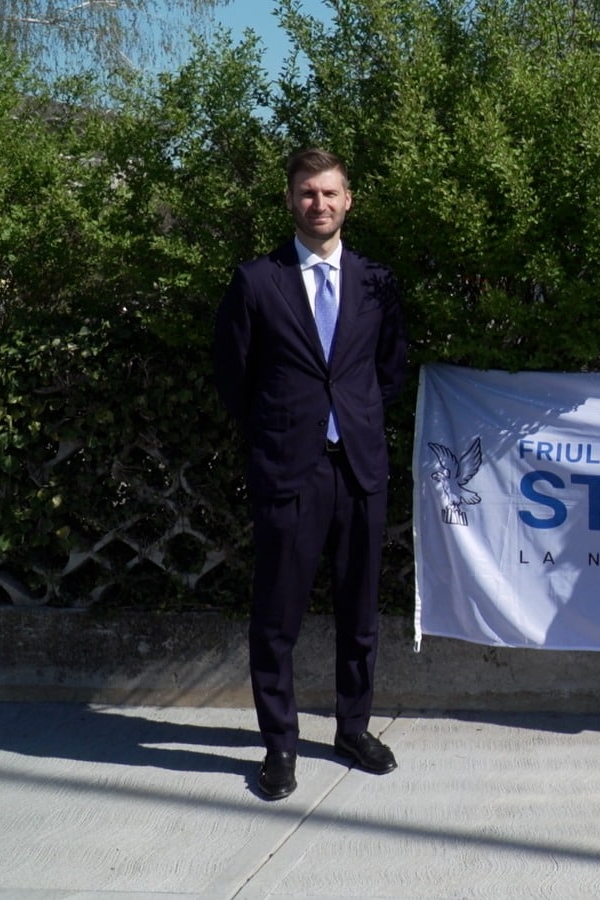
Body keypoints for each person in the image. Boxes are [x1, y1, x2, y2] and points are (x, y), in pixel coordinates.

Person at [213, 148, 408, 801]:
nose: (318, 204)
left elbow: (390, 370)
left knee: (359, 614)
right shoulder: (256, 282)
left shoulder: (378, 281)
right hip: (289, 472)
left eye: (329, 193)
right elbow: (234, 378)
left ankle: (352, 728)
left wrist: (352, 420)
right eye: (306, 194)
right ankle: (279, 745)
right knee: (277, 618)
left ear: (348, 199)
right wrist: (280, 432)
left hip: (358, 469)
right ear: (290, 200)